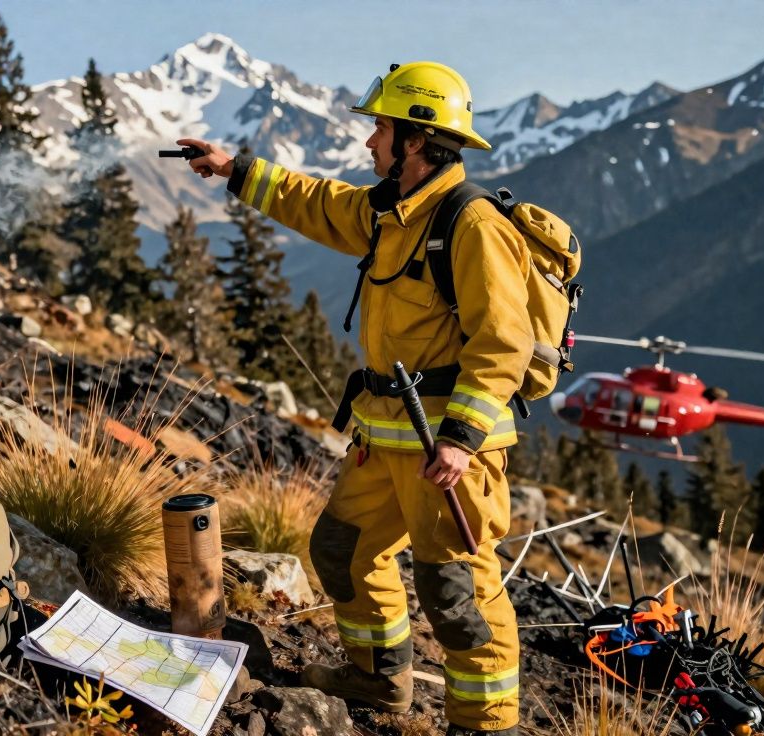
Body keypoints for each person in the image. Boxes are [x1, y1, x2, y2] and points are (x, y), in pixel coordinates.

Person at [179, 61, 530, 735]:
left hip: (447, 447)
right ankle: (379, 681)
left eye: (381, 130)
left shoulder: (472, 223)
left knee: (457, 594)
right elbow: (317, 202)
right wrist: (233, 169)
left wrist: (462, 439)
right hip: (386, 436)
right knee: (342, 552)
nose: (370, 143)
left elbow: (504, 342)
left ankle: (485, 723)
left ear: (418, 139)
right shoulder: (389, 211)